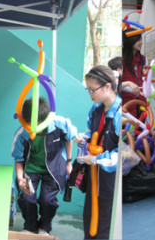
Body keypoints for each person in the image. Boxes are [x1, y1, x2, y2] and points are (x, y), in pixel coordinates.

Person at [11, 97, 77, 236]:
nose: (36, 130)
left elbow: (69, 139)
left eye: (39, 125)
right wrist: (20, 178)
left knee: (47, 200)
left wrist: (69, 162)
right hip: (31, 168)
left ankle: (45, 227)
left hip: (54, 168)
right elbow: (19, 159)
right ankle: (30, 226)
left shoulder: (60, 123)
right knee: (27, 198)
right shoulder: (22, 133)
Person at [75, 65, 126, 239]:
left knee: (104, 225)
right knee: (90, 220)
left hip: (111, 180)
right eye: (87, 90)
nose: (90, 94)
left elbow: (121, 154)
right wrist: (84, 138)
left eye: (92, 89)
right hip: (94, 176)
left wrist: (96, 159)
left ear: (107, 86)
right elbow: (91, 132)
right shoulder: (95, 110)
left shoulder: (120, 114)